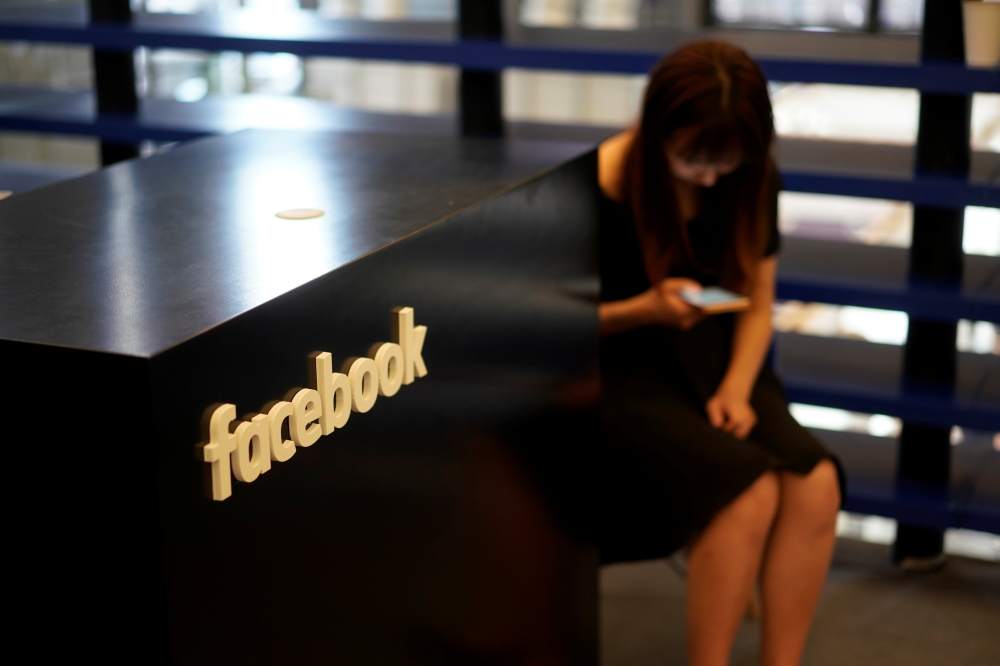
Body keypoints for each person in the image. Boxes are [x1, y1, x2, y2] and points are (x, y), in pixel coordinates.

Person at [597, 40, 843, 666]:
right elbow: (559, 326)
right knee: (747, 491)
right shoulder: (601, 184)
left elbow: (759, 300)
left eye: (724, 165)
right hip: (626, 368)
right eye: (692, 162)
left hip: (720, 358)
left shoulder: (753, 176)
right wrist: (646, 308)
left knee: (816, 484)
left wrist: (736, 388)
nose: (710, 179)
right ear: (659, 132)